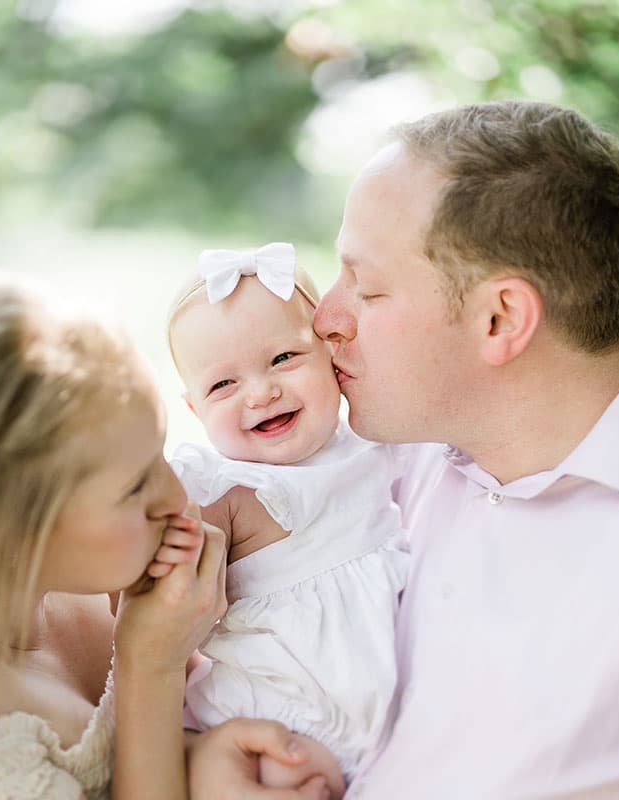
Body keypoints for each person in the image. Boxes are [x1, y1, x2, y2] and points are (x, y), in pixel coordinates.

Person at [188, 100, 619, 799]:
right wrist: (207, 755)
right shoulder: (358, 455)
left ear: (501, 318)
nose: (324, 321)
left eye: (364, 288)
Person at [0, 271, 233, 799]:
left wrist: (214, 756)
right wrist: (150, 667)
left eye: (161, 453)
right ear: (5, 528)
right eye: (134, 486)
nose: (176, 497)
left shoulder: (94, 589)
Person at [167, 243, 409, 799]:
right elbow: (148, 585)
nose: (261, 392)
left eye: (283, 359)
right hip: (281, 721)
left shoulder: (375, 444)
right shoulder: (225, 492)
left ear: (331, 356)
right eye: (222, 385)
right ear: (194, 411)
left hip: (390, 716)